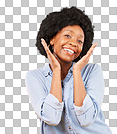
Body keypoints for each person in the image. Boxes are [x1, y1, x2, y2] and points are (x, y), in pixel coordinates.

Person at [25, 6, 112, 134]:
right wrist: (56, 71)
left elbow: (87, 119)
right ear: (52, 39)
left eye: (80, 41)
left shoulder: (92, 71)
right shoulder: (35, 77)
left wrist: (76, 72)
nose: (74, 43)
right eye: (67, 36)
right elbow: (51, 118)